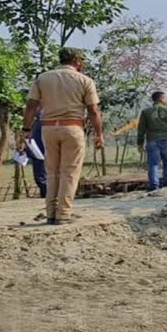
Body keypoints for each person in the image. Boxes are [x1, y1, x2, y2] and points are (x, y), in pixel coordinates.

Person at [22, 48, 103, 225]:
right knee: (70, 172)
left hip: (48, 128)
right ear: (77, 61)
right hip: (73, 128)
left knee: (52, 171)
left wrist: (26, 129)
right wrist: (98, 134)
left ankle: (51, 213)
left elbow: (31, 105)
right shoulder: (85, 80)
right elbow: (93, 110)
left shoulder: (42, 78)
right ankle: (64, 214)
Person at [137, 91, 167, 191]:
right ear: (161, 99)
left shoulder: (146, 112)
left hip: (152, 141)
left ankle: (154, 185)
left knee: (153, 164)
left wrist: (140, 143)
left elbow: (141, 129)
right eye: (166, 97)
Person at [29, 110, 47, 198]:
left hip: (41, 152)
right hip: (38, 151)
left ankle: (47, 194)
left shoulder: (42, 120)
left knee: (42, 176)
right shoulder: (37, 121)